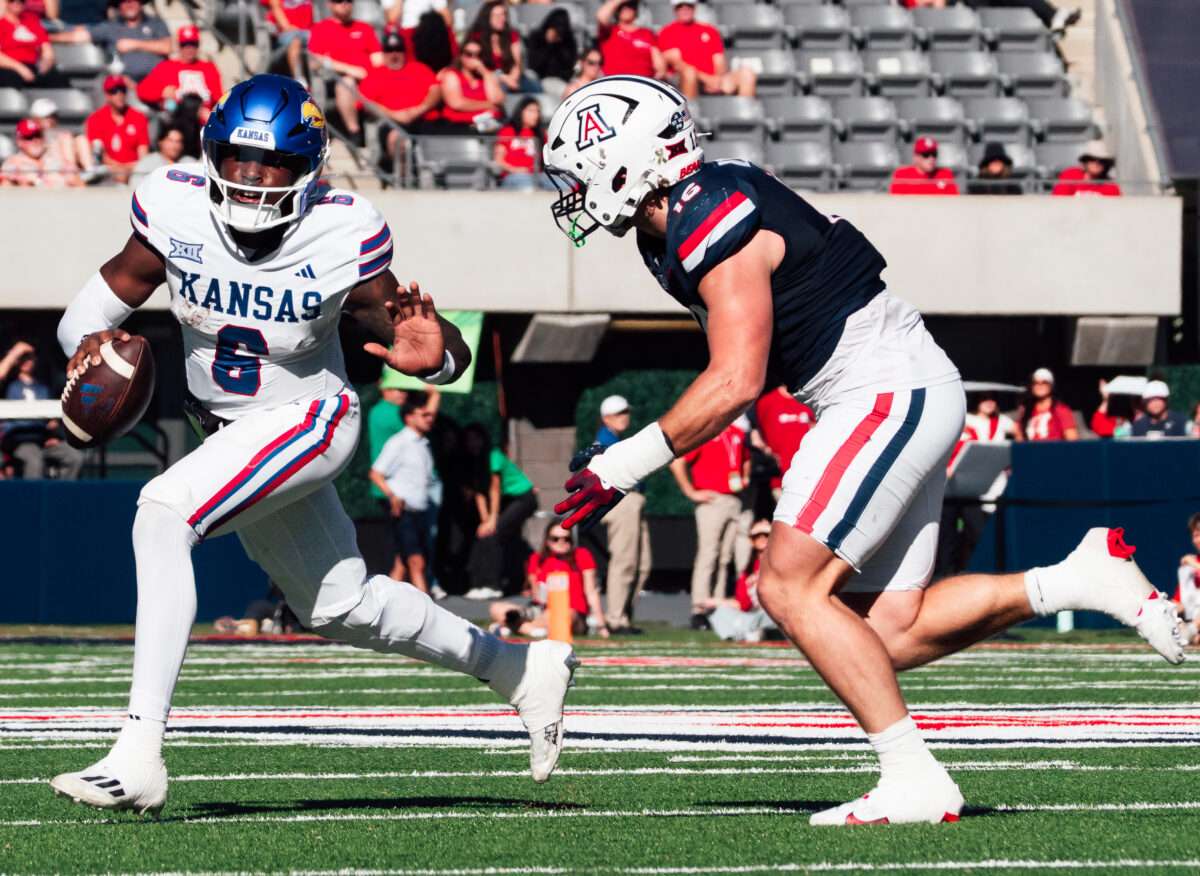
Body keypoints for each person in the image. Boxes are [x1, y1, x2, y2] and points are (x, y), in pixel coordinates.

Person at [545, 75, 1185, 826]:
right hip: (892, 385)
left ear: (624, 160)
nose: (576, 190)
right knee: (886, 633)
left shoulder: (703, 209)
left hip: (879, 390)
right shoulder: (690, 211)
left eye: (580, 168)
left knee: (786, 588)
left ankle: (913, 777)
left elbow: (737, 377)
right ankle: (1074, 579)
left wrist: (621, 464)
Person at [47, 75, 577, 816]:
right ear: (210, 153)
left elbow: (421, 339)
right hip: (228, 431)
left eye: (270, 165)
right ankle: (519, 668)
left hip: (311, 418)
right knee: (340, 606)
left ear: (309, 168)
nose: (250, 179)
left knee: (162, 511)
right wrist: (90, 352)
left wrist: (442, 355)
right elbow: (87, 314)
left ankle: (139, 751)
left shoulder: (339, 231)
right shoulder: (171, 207)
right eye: (235, 158)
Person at [668, 420, 750, 628]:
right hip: (711, 499)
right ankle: (699, 607)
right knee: (708, 553)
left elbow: (746, 458)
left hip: (733, 498)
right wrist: (691, 492)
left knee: (725, 557)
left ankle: (717, 603)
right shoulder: (706, 431)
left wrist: (746, 477)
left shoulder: (738, 432)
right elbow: (677, 463)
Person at [370, 391, 439, 593]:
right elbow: (376, 473)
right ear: (409, 418)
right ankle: (428, 613)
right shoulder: (398, 442)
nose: (430, 419)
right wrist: (393, 496)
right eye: (424, 415)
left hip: (421, 510)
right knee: (417, 562)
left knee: (401, 564)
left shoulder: (424, 443)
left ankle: (388, 611)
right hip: (404, 511)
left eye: (431, 415)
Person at [593, 394, 651, 634]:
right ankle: (615, 618)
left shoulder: (615, 440)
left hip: (631, 500)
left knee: (643, 564)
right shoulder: (605, 442)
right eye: (619, 413)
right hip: (622, 501)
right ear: (606, 418)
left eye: (626, 412)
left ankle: (624, 617)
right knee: (625, 561)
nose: (625, 417)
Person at [489, 523, 608, 639]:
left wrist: (601, 623)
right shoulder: (537, 559)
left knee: (561, 614)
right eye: (555, 539)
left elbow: (591, 591)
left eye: (566, 538)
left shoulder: (582, 555)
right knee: (497, 608)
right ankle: (530, 629)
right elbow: (537, 596)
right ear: (547, 540)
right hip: (542, 610)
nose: (561, 542)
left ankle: (517, 627)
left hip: (573, 612)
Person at [465, 423, 539, 597]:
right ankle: (480, 583)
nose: (472, 443)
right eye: (468, 440)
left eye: (476, 439)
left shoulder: (493, 456)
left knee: (496, 533)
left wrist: (492, 519)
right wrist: (484, 521)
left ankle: (493, 586)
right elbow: (479, 493)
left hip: (523, 497)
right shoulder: (473, 461)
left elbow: (494, 489)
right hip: (506, 501)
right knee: (485, 534)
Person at [359, 29, 441, 175]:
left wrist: (417, 110)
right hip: (390, 122)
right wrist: (395, 115)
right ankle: (402, 181)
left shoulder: (420, 69)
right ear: (384, 53)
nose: (394, 54)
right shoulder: (374, 75)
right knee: (396, 138)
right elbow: (366, 103)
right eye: (390, 50)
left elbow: (435, 91)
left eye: (399, 49)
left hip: (422, 120)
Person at [0, 341, 84, 479]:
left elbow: (51, 420)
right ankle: (33, 499)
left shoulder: (43, 387)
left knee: (74, 457)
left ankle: (61, 497)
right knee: (34, 460)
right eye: (24, 358)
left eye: (30, 357)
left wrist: (53, 434)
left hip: (43, 440)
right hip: (19, 440)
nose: (27, 361)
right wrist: (16, 352)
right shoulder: (8, 384)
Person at [308, 0, 383, 145]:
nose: (344, 4)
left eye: (348, 1)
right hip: (338, 80)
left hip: (368, 79)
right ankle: (354, 132)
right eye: (338, 1)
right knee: (346, 83)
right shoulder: (321, 28)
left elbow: (378, 59)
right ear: (329, 4)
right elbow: (315, 61)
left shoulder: (364, 28)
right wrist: (349, 69)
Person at [51, 0, 170, 83]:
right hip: (122, 85)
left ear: (140, 3)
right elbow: (78, 37)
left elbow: (167, 47)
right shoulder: (110, 27)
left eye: (133, 0)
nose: (129, 4)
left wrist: (134, 44)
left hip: (156, 81)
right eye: (124, 1)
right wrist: (47, 38)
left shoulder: (155, 23)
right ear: (119, 6)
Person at [657, 0, 754, 99]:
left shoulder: (710, 30)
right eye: (680, 6)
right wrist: (707, 79)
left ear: (694, 7)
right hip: (685, 80)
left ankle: (745, 112)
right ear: (675, 9)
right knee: (689, 73)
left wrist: (717, 80)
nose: (685, 9)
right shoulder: (667, 32)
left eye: (689, 6)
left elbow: (719, 61)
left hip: (713, 79)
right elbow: (678, 64)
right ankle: (690, 110)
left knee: (747, 74)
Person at [700, 519, 777, 643]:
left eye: (766, 535)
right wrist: (717, 602)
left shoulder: (781, 565)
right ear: (752, 540)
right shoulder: (747, 571)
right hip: (755, 615)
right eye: (758, 536)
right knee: (721, 612)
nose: (762, 539)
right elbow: (742, 604)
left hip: (775, 613)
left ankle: (751, 631)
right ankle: (748, 632)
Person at [135, 25, 224, 115]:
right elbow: (142, 90)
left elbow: (218, 98)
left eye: (193, 44)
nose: (189, 49)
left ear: (198, 45)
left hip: (203, 120)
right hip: (177, 118)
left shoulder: (209, 68)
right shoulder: (167, 67)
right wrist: (161, 92)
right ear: (179, 46)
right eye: (185, 45)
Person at [85, 75, 151, 185]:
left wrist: (127, 168)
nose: (119, 94)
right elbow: (100, 154)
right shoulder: (96, 119)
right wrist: (118, 169)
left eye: (122, 90)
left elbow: (143, 154)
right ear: (107, 95)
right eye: (114, 91)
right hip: (108, 170)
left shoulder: (138, 117)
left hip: (134, 170)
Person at [753, 385, 814, 500]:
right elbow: (757, 434)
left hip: (810, 476)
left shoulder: (809, 398)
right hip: (781, 478)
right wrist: (767, 452)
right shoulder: (767, 402)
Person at [433, 37, 503, 133]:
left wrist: (485, 72)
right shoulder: (451, 75)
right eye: (469, 54)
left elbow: (497, 99)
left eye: (478, 55)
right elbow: (456, 103)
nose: (474, 58)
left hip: (488, 125)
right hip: (460, 126)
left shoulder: (487, 75)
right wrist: (488, 105)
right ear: (461, 55)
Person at [469, 0, 536, 93]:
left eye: (503, 14)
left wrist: (512, 78)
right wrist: (503, 78)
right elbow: (477, 65)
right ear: (487, 17)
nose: (502, 18)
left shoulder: (512, 35)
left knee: (534, 87)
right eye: (496, 15)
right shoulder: (476, 37)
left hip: (511, 77)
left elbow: (516, 63)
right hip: (488, 78)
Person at [0, 0, 68, 88]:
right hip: (9, 67)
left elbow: (47, 50)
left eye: (21, 1)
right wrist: (19, 68)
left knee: (58, 79)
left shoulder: (31, 20)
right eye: (12, 0)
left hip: (32, 65)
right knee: (10, 79)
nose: (17, 3)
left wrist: (46, 63)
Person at [0, 117, 82, 187]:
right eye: (29, 137)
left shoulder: (56, 157)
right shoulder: (13, 163)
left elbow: (79, 184)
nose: (35, 140)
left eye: (38, 135)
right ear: (19, 141)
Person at [595, 0, 663, 79]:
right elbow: (601, 16)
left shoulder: (647, 34)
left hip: (642, 85)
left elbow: (660, 69)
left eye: (630, 5)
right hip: (615, 84)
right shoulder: (609, 31)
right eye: (622, 6)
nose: (626, 8)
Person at [494, 96, 548, 191]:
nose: (536, 115)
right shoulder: (508, 131)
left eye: (537, 111)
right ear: (520, 111)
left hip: (537, 175)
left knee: (564, 184)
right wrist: (516, 170)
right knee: (526, 183)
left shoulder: (540, 134)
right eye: (531, 111)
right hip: (512, 176)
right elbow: (499, 161)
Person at [29, 97, 91, 177]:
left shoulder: (59, 134)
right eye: (46, 117)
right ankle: (72, 174)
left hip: (61, 165)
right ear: (36, 118)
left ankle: (89, 170)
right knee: (66, 138)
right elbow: (35, 154)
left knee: (81, 139)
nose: (51, 119)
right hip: (48, 169)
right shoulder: (31, 135)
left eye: (53, 116)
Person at [1017, 367, 1077, 441]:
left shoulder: (1061, 409)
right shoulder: (1026, 410)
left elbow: (1072, 440)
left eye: (1044, 382)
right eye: (1036, 383)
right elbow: (1020, 439)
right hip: (1031, 451)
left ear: (1051, 386)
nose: (1040, 385)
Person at [263, 0, 314, 81]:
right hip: (287, 33)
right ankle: (300, 80)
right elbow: (275, 7)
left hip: (308, 31)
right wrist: (286, 26)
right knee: (296, 40)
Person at [889, 136, 959, 195]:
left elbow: (954, 203)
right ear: (916, 157)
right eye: (926, 155)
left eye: (934, 154)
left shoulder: (945, 175)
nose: (931, 158)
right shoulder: (902, 175)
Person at [1051, 140, 1121, 197]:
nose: (1097, 163)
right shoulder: (1070, 175)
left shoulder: (1111, 187)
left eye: (1102, 160)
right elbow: (1059, 203)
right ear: (1085, 161)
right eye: (1092, 159)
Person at [526, 8, 577, 85]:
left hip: (562, 79)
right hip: (540, 78)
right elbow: (533, 64)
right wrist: (549, 44)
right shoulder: (537, 37)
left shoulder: (568, 40)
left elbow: (569, 64)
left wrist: (558, 44)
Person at [1175, 513, 1200, 646]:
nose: (1196, 540)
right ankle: (1189, 634)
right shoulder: (1188, 568)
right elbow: (1180, 602)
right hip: (1193, 621)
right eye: (1195, 536)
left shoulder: (1192, 563)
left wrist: (1194, 564)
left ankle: (1190, 633)